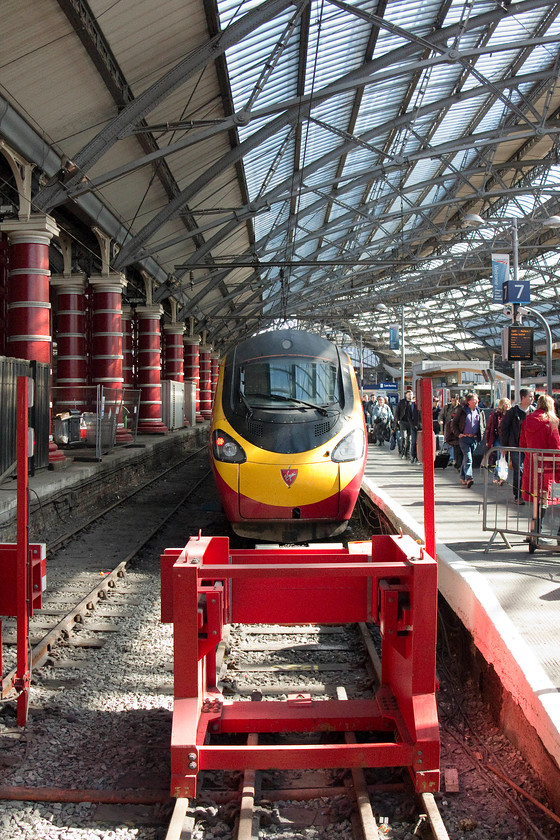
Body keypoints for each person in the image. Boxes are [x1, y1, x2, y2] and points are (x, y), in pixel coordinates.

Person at [519, 395, 560, 512]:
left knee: (536, 497)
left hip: (531, 462)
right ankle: (539, 526)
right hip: (547, 464)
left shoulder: (527, 420)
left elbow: (522, 444)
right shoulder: (551, 422)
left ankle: (536, 526)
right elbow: (556, 446)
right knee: (545, 495)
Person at [499, 388, 535, 505]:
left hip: (530, 446)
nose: (532, 398)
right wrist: (504, 445)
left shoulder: (533, 411)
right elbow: (503, 428)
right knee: (519, 471)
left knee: (529, 471)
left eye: (532, 396)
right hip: (516, 446)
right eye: (530, 396)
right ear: (523, 398)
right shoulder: (513, 412)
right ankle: (518, 495)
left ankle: (527, 493)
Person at [451, 392, 485, 487]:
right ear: (469, 401)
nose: (477, 401)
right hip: (464, 438)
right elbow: (453, 424)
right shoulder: (462, 411)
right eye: (474, 399)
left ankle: (462, 476)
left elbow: (483, 424)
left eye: (477, 399)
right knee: (469, 458)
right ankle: (469, 477)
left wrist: (480, 435)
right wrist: (458, 434)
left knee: (466, 459)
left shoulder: (479, 411)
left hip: (473, 438)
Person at [483, 397, 511, 481]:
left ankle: (502, 476)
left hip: (507, 439)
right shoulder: (495, 414)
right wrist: (488, 440)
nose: (507, 406)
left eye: (508, 404)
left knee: (504, 458)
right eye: (505, 404)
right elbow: (490, 428)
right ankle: (497, 476)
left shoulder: (510, 414)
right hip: (498, 438)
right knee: (499, 457)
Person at [440, 395, 461, 469]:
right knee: (448, 443)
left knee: (455, 444)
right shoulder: (447, 407)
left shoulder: (460, 408)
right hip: (448, 428)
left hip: (456, 428)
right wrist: (441, 420)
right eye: (452, 400)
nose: (453, 402)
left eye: (455, 400)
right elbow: (441, 415)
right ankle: (450, 458)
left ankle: (453, 459)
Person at [395, 388, 415, 459]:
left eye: (411, 394)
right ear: (406, 395)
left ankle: (407, 453)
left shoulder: (413, 403)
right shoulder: (402, 402)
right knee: (403, 437)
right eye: (409, 394)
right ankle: (402, 451)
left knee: (409, 439)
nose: (410, 396)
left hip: (411, 423)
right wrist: (398, 420)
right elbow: (397, 411)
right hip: (403, 421)